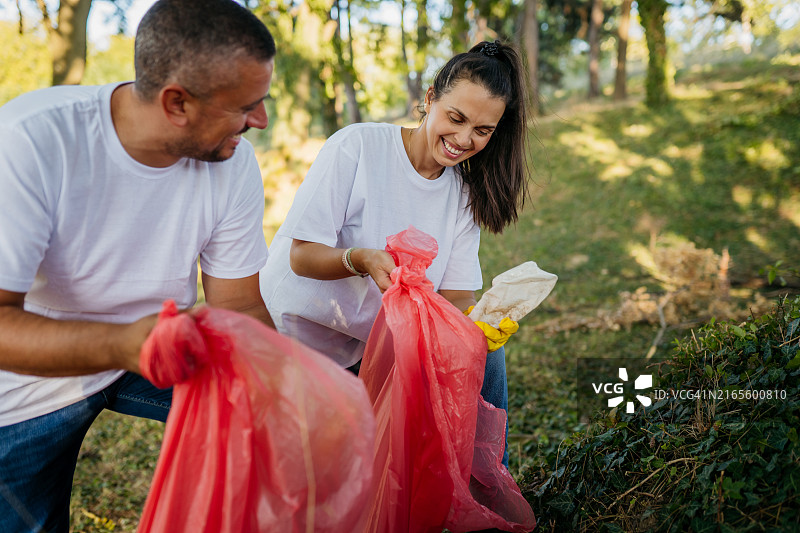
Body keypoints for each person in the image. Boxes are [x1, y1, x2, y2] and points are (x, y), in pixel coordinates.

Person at [0, 1, 276, 530]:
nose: (259, 122)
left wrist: (281, 387)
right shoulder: (32, 141)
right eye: (247, 106)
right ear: (177, 103)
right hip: (26, 371)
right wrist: (127, 343)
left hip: (160, 346)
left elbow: (239, 302)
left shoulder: (231, 159)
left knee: (272, 427)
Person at [260, 40, 530, 467]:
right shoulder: (358, 147)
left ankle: (485, 483)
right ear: (429, 99)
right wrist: (361, 259)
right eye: (455, 118)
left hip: (370, 351)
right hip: (295, 342)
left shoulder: (461, 195)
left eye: (482, 131)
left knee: (486, 353)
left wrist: (480, 324)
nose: (463, 139)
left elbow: (456, 298)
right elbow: (301, 255)